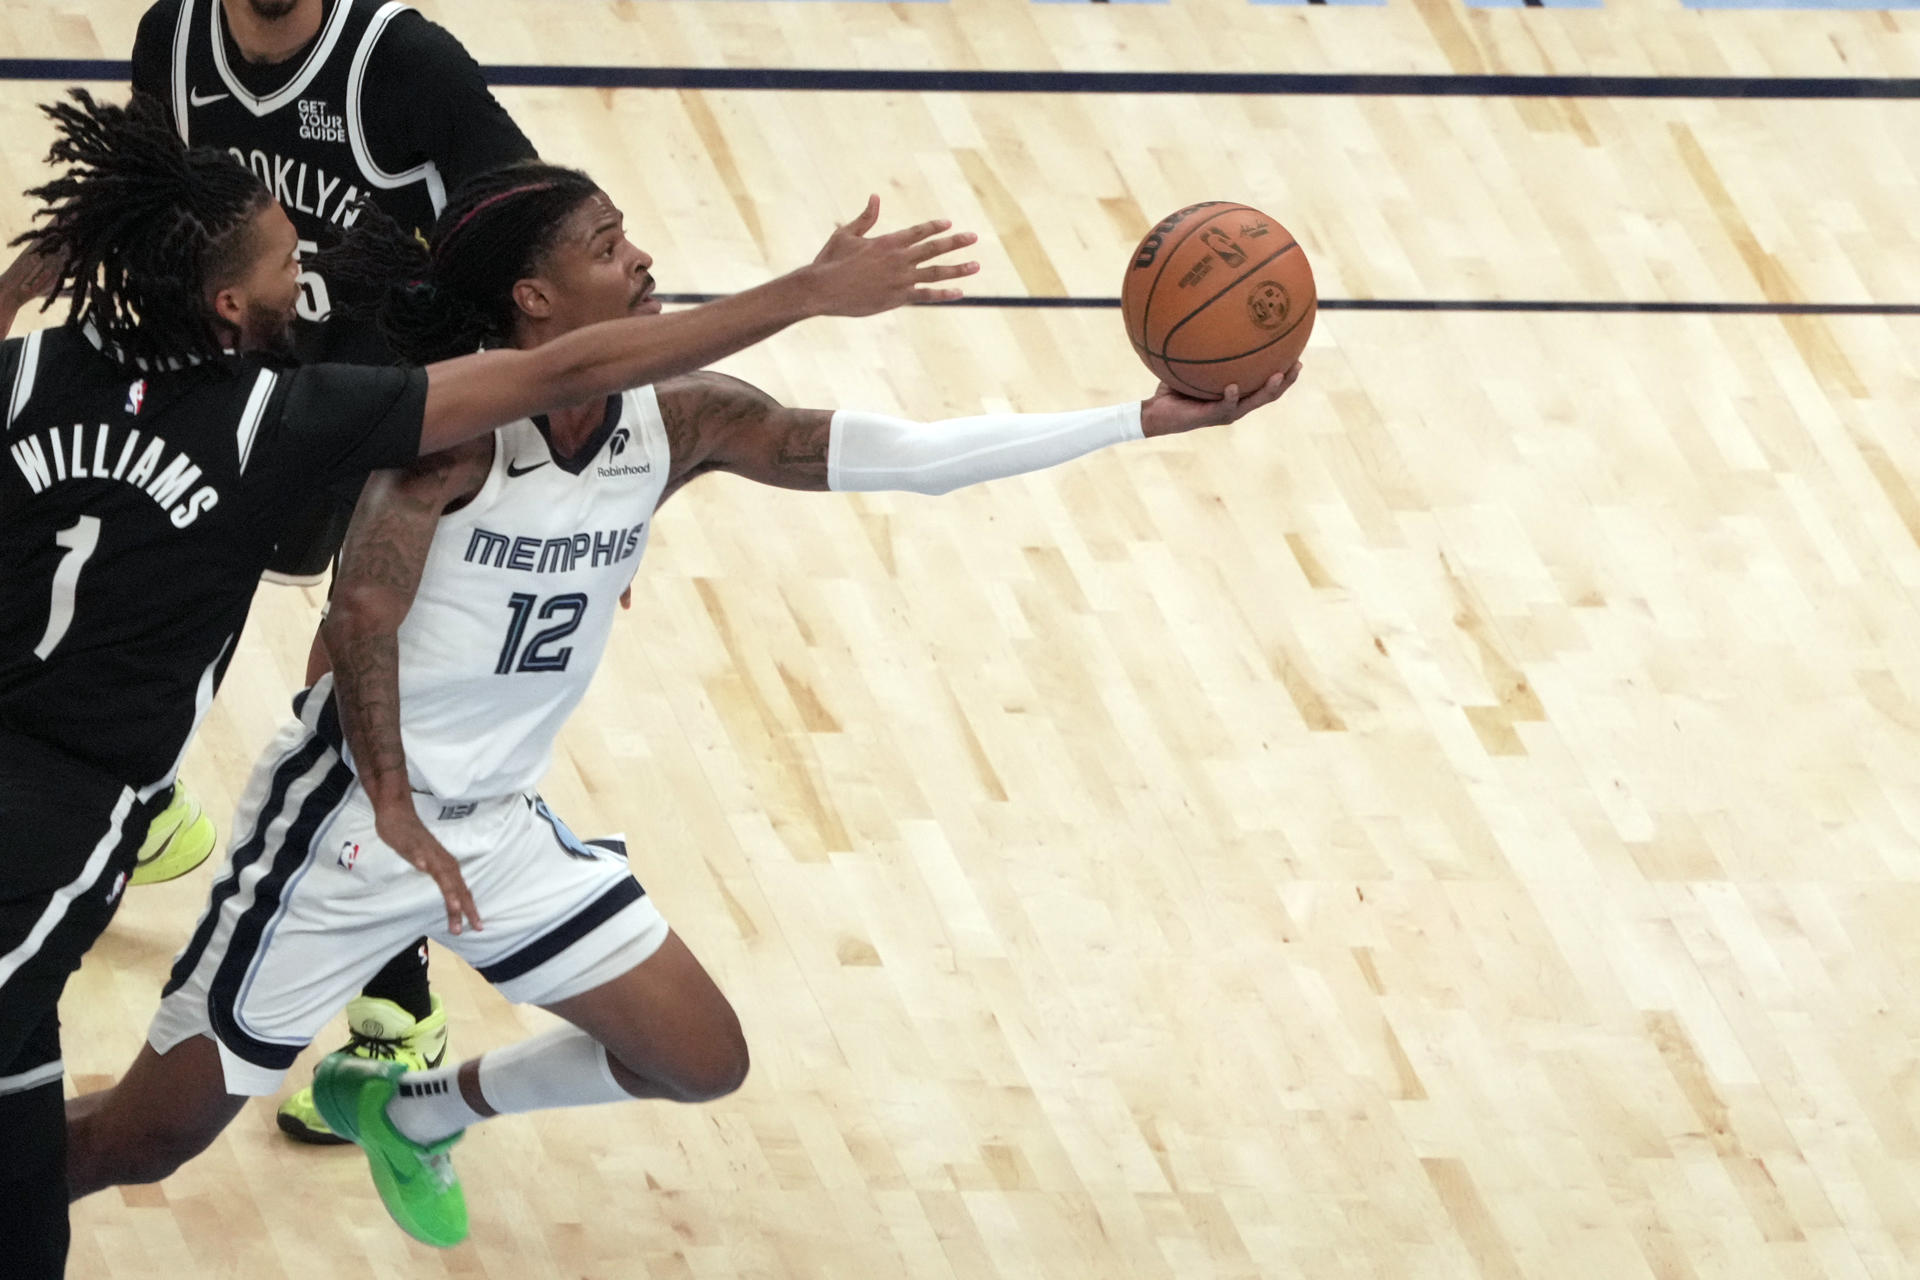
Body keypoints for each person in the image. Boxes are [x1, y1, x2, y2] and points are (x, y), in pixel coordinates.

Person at [62, 159, 1301, 1251]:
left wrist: (1139, 419)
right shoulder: (451, 436)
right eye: (606, 246)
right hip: (343, 830)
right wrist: (391, 800)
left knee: (698, 1060)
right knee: (145, 1138)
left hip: (492, 825)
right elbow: (361, 617)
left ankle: (415, 1107)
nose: (643, 254)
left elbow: (906, 456)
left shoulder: (680, 422)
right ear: (535, 303)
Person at [0, 91, 975, 1277]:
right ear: (226, 306)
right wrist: (801, 293)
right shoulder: (284, 418)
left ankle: (415, 1102)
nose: (304, 282)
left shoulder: (27, 371)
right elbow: (570, 367)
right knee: (53, 1168)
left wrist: (22, 284)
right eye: (288, 266)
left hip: (122, 789)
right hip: (58, 825)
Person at [119, 0, 542, 1106]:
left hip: (385, 416)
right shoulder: (174, 37)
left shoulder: (405, 65)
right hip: (236, 389)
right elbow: (144, 218)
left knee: (348, 708)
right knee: (114, 595)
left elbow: (535, 239)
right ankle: (137, 796)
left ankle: (396, 1015)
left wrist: (574, 467)